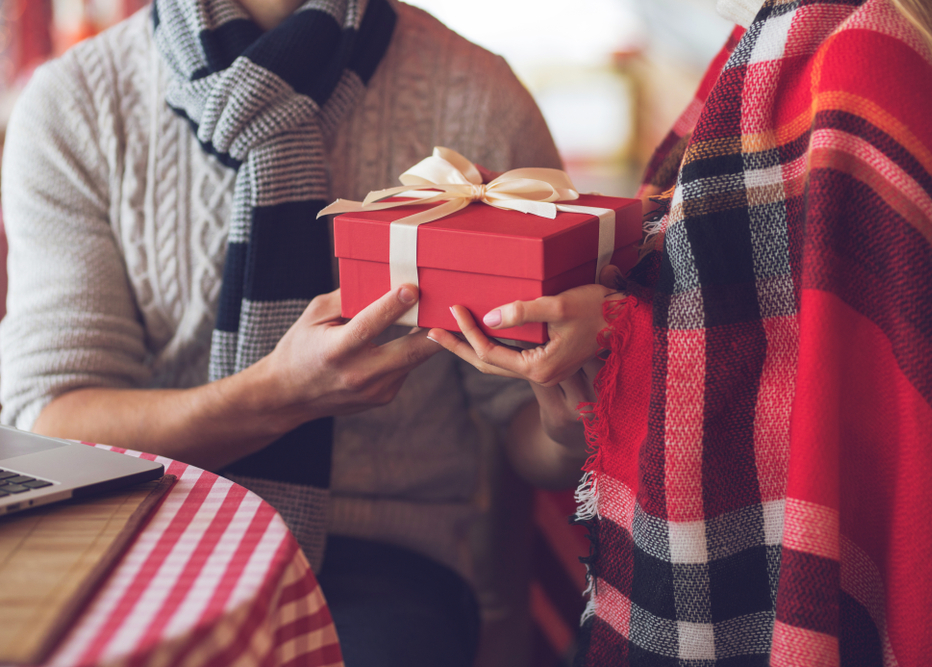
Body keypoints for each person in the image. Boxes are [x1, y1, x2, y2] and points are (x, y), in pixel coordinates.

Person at [0, 0, 584, 664]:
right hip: (139, 531)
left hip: (380, 559)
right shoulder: (75, 104)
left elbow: (528, 431)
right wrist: (277, 395)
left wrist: (570, 422)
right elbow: (52, 422)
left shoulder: (479, 99)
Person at [430, 0, 932, 663]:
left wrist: (612, 322)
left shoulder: (862, 55)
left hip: (763, 580)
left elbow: (816, 366)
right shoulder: (820, 41)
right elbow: (766, 306)